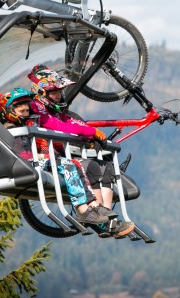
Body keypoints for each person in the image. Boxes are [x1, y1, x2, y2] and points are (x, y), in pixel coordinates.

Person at [27, 64, 136, 238]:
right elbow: (60, 127)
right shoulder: (36, 108)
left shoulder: (54, 111)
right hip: (40, 158)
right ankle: (90, 213)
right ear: (41, 93)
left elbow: (71, 123)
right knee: (74, 165)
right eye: (54, 92)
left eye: (59, 91)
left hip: (55, 158)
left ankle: (105, 218)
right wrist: (91, 132)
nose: (58, 95)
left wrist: (92, 134)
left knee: (102, 166)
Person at [0, 87, 113, 226]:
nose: (24, 108)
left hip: (39, 160)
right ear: (10, 110)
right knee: (68, 165)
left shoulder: (30, 124)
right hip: (26, 163)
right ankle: (83, 210)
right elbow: (20, 153)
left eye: (26, 105)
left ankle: (96, 207)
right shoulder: (11, 129)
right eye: (18, 106)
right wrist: (41, 156)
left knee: (78, 165)